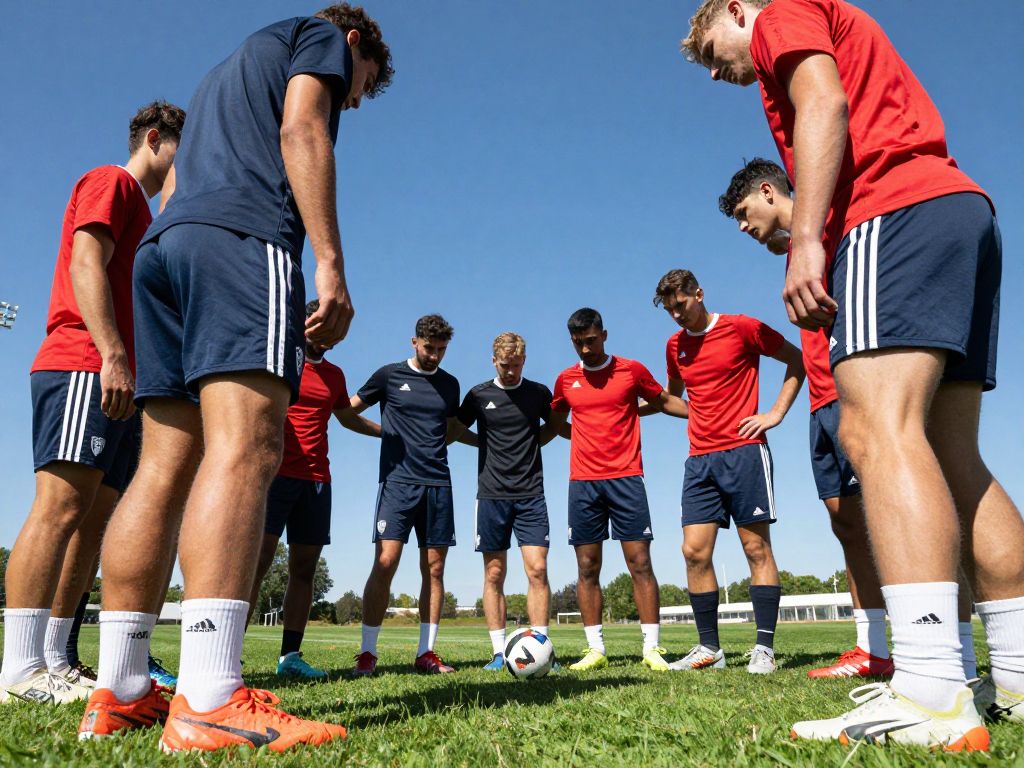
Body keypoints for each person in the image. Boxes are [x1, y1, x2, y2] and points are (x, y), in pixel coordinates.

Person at [682, 0, 1022, 749]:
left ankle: (931, 688)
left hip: (888, 209)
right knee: (954, 453)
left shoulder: (780, 17)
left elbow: (825, 100)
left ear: (736, 10)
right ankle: (1020, 675)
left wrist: (808, 240)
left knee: (876, 430)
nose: (716, 72)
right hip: (960, 208)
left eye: (712, 51)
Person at [77, 5, 394, 752]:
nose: (354, 100)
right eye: (362, 85)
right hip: (243, 237)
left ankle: (119, 690)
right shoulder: (315, 37)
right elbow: (301, 131)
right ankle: (211, 697)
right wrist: (331, 263)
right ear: (356, 43)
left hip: (168, 247)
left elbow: (181, 180)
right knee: (246, 448)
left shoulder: (226, 70)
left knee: (162, 465)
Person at [719, 158, 982, 681]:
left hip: (860, 392)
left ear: (769, 192)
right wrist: (779, 412)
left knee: (917, 506)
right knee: (848, 526)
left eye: (746, 214)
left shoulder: (838, 231)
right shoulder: (796, 255)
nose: (745, 228)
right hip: (820, 405)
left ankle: (957, 652)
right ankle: (873, 648)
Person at [1, 101, 184, 705]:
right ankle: (19, 669)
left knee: (93, 520)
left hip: (119, 379)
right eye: (185, 147)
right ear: (156, 138)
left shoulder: (148, 214)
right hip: (83, 361)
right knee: (59, 507)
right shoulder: (113, 181)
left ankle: (55, 656)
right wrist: (110, 352)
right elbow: (86, 262)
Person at [652, 270, 804, 675]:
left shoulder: (742, 329)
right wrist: (626, 407)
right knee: (693, 551)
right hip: (699, 460)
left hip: (744, 453)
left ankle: (764, 649)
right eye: (669, 311)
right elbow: (673, 398)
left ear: (698, 294)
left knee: (756, 549)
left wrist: (774, 414)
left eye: (680, 305)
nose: (677, 315)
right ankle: (709, 650)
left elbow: (797, 361)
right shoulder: (675, 346)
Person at [545, 308, 687, 672]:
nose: (585, 349)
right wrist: (587, 441)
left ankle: (652, 648)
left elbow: (664, 401)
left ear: (604, 335)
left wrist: (705, 412)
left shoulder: (631, 370)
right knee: (587, 565)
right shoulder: (565, 380)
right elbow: (557, 424)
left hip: (627, 478)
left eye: (590, 341)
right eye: (578, 343)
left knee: (640, 562)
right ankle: (595, 649)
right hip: (583, 483)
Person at [246, 300, 381, 680]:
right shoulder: (276, 359)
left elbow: (346, 418)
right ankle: (227, 655)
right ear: (305, 322)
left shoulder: (336, 376)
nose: (328, 337)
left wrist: (388, 432)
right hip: (273, 476)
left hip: (317, 480)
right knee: (254, 565)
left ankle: (291, 656)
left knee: (304, 568)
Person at [350, 315, 465, 676]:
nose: (435, 356)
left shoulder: (450, 385)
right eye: (430, 348)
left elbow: (451, 429)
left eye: (442, 350)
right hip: (397, 484)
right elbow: (347, 410)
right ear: (414, 342)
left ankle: (426, 653)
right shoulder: (388, 375)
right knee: (386, 562)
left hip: (438, 485)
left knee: (434, 568)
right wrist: (385, 435)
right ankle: (368, 653)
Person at [450, 332, 557, 669]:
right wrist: (483, 444)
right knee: (494, 572)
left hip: (531, 493)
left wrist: (531, 444)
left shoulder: (538, 393)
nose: (511, 370)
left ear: (524, 360)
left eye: (516, 364)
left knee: (537, 569)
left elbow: (554, 427)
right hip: (492, 494)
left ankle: (542, 647)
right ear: (493, 361)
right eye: (504, 365)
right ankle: (499, 652)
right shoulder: (479, 395)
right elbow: (453, 430)